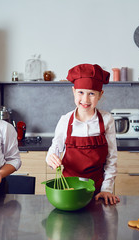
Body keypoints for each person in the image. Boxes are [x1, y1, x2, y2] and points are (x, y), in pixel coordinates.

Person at [46, 63, 120, 205]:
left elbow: (111, 159)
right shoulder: (65, 120)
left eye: (91, 93)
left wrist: (107, 189)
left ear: (100, 95)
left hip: (97, 190)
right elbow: (54, 149)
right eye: (81, 92)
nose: (85, 100)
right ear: (74, 91)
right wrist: (50, 158)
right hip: (68, 190)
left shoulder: (106, 120)